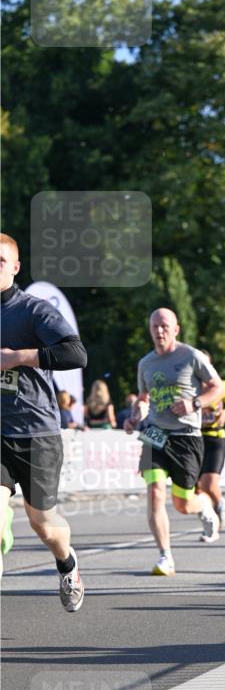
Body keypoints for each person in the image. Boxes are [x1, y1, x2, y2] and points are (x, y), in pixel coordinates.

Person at [0, 232, 87, 609]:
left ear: (16, 267)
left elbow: (75, 353)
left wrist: (18, 358)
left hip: (37, 434)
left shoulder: (33, 311)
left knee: (43, 524)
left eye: (0, 262)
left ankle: (67, 564)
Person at [124, 308, 224, 575]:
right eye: (154, 326)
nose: (159, 331)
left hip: (186, 437)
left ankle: (204, 506)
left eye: (165, 326)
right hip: (155, 432)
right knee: (155, 491)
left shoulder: (192, 356)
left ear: (176, 329)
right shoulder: (145, 363)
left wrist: (194, 403)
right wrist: (135, 416)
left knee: (183, 504)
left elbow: (218, 388)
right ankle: (165, 556)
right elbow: (143, 397)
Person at [196, 351, 225, 530]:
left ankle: (219, 503)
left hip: (216, 437)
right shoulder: (190, 386)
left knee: (209, 483)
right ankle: (209, 516)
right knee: (196, 487)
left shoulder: (221, 386)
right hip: (195, 439)